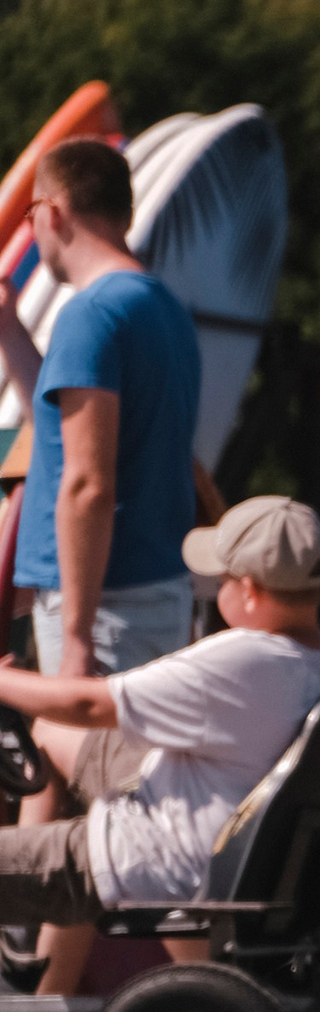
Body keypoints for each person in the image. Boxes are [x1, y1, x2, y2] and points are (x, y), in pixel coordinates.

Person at [0, 496, 320, 992]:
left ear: (250, 591)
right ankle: (43, 988)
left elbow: (87, 704)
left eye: (222, 580)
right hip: (204, 817)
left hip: (140, 853)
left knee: (60, 731)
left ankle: (25, 909)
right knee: (51, 733)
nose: (213, 591)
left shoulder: (242, 660)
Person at [0, 138, 222, 679]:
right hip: (152, 591)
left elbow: (87, 483)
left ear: (53, 212)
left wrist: (76, 635)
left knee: (97, 765)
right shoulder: (160, 307)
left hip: (102, 609)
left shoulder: (90, 314)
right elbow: (56, 430)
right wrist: (7, 320)